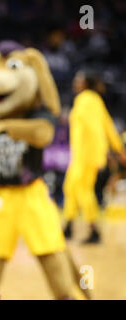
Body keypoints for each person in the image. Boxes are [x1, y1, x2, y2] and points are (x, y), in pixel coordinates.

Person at [63, 69, 126, 243]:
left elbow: (94, 129)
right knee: (71, 187)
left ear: (86, 83)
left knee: (82, 190)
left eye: (79, 79)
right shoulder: (96, 100)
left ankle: (94, 230)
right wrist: (118, 149)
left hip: (86, 156)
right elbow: (108, 126)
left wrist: (108, 151)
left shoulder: (84, 100)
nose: (75, 81)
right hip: (83, 155)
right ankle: (68, 226)